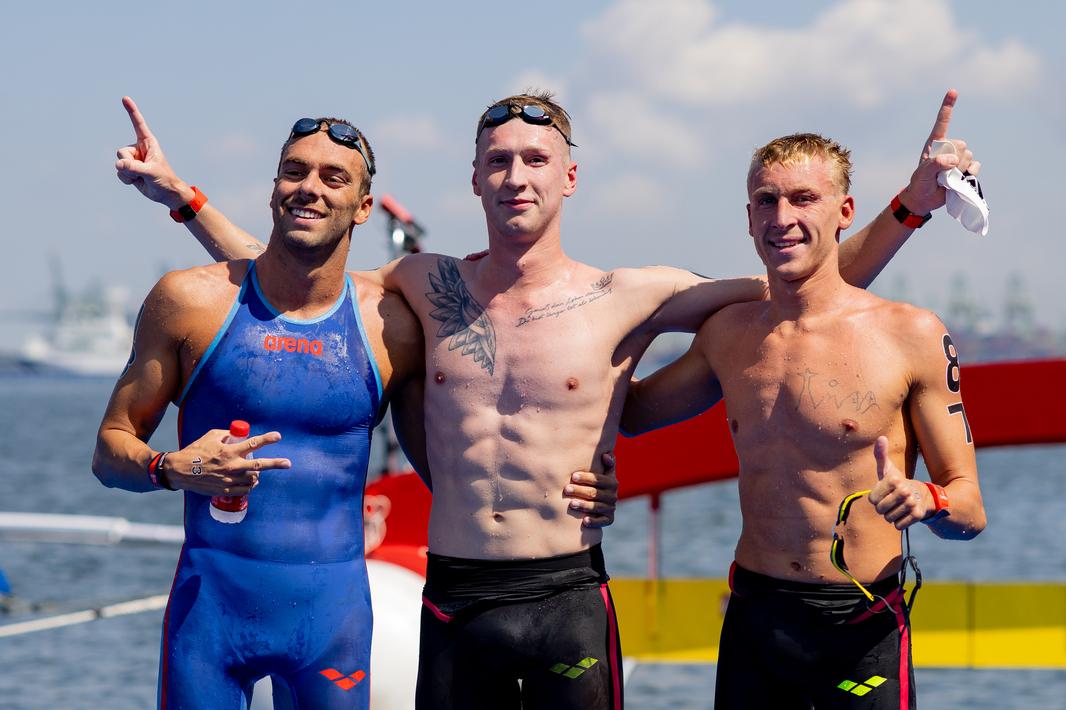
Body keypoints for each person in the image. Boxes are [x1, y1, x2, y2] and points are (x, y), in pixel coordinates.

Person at [122, 90, 971, 710]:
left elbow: (808, 278)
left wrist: (913, 205)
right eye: (499, 161)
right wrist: (187, 201)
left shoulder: (633, 294)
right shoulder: (424, 285)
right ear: (475, 180)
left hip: (569, 596)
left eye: (535, 160)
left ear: (569, 177)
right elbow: (294, 279)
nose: (516, 175)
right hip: (456, 596)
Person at [95, 105, 617, 710]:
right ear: (273, 190)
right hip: (210, 617)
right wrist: (172, 468)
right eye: (294, 171)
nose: (309, 187)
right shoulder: (189, 302)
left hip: (332, 626)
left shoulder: (389, 324)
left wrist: (577, 485)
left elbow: (472, 457)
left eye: (333, 178)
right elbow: (110, 449)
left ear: (363, 207)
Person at [620, 132, 987, 708]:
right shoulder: (729, 335)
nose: (782, 216)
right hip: (756, 619)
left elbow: (970, 510)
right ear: (748, 217)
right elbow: (634, 415)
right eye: (767, 200)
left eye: (803, 198)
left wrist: (927, 500)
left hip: (863, 622)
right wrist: (635, 319)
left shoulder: (911, 334)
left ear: (844, 212)